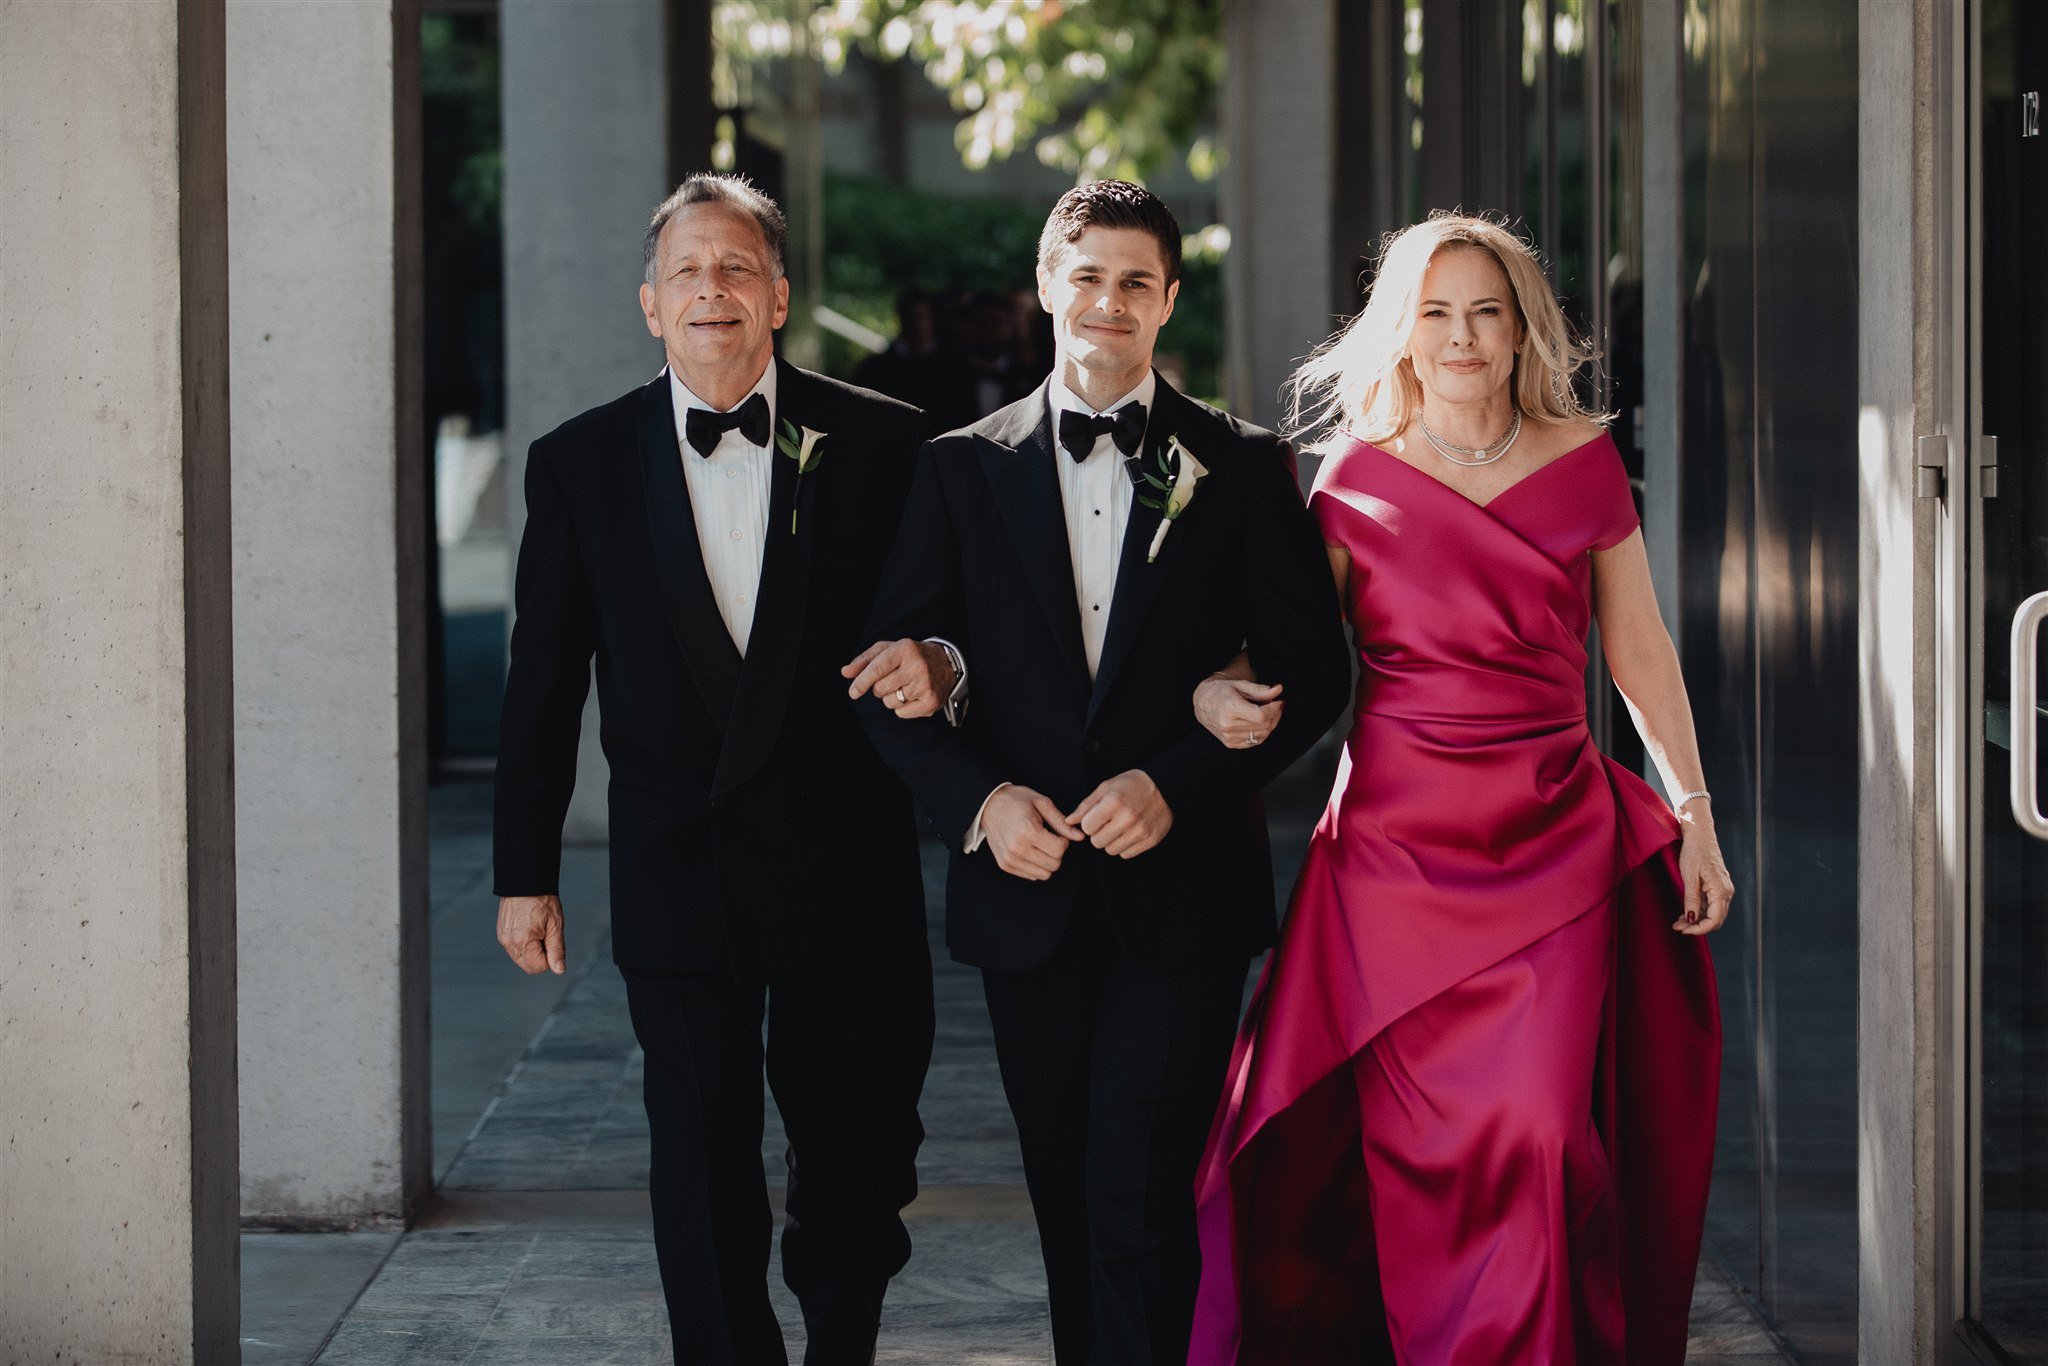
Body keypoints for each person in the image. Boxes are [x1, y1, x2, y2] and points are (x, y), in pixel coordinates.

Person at [1185, 214, 1730, 1365]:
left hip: (1554, 844)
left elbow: (1639, 653)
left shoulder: (1583, 459)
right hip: (1390, 860)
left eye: (1485, 310)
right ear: (1400, 331)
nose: (1461, 336)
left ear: (1521, 327)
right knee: (1403, 1143)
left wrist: (1692, 811)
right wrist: (1213, 689)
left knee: (1539, 1133)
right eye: (1433, 312)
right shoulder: (1351, 477)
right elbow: (1288, 651)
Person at [846, 181, 1353, 1366]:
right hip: (1024, 894)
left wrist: (1175, 780)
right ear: (1045, 285)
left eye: (1135, 282)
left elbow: (1312, 671)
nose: (1108, 302)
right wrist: (979, 804)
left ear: (1168, 300)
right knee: (1067, 1192)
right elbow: (893, 682)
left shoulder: (1241, 464)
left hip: (1181, 894)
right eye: (1087, 277)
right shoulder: (957, 468)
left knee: (1137, 1189)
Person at [491, 173, 937, 1366]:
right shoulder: (580, 463)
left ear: (778, 295)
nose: (710, 289)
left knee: (856, 1160)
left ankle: (841, 1344)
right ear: (650, 304)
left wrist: (940, 666)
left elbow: (949, 622)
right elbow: (543, 682)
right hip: (677, 871)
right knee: (696, 1161)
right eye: (685, 270)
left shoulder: (885, 444)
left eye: (736, 266)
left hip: (846, 870)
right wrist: (524, 871)